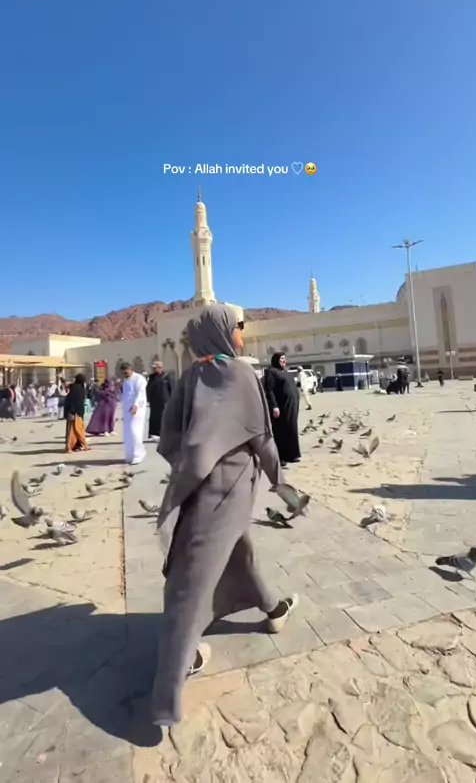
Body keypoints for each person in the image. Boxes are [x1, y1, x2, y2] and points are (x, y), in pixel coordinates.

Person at [151, 305, 298, 728]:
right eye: (237, 326)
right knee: (192, 578)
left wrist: (193, 465)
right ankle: (171, 681)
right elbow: (262, 439)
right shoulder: (238, 373)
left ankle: (273, 608)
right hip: (230, 490)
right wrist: (281, 483)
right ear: (220, 331)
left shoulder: (190, 377)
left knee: (225, 552)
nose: (241, 333)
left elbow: (169, 440)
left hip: (200, 487)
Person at [263, 352, 301, 466]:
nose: (284, 361)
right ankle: (281, 457)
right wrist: (274, 406)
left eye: (284, 359)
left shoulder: (286, 372)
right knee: (281, 431)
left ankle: (292, 454)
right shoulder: (272, 372)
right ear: (276, 360)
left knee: (292, 429)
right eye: (281, 359)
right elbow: (269, 390)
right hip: (281, 407)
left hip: (291, 405)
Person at [121, 362, 147, 464]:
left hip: (137, 409)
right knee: (127, 433)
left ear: (130, 369)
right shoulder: (125, 381)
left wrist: (136, 405)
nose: (125, 373)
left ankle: (138, 454)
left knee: (135, 432)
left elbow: (141, 393)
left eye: (126, 371)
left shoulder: (139, 379)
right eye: (123, 372)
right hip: (127, 410)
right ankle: (130, 454)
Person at [146, 361, 172, 439]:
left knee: (164, 417)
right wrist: (148, 399)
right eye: (153, 368)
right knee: (154, 418)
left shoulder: (167, 377)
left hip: (164, 401)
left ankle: (164, 433)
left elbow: (172, 389)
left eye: (155, 368)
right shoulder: (152, 377)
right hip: (154, 402)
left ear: (160, 368)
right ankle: (154, 433)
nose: (154, 369)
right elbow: (148, 389)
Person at [64, 374, 88, 453]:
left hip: (73, 412)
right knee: (79, 429)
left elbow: (72, 400)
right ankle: (80, 445)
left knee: (72, 430)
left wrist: (71, 411)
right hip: (80, 412)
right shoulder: (82, 388)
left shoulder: (75, 388)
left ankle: (71, 446)